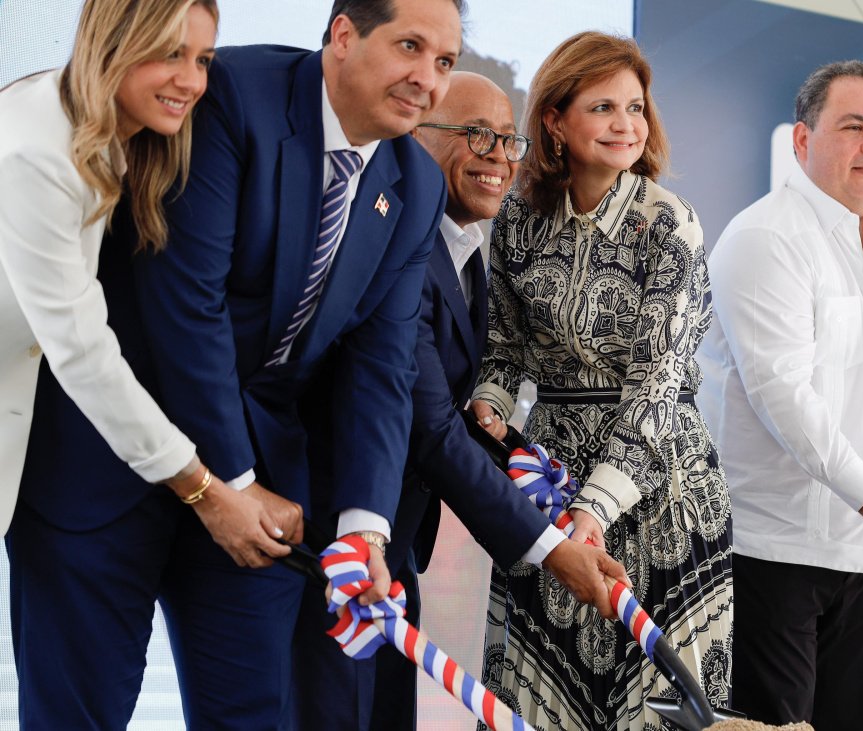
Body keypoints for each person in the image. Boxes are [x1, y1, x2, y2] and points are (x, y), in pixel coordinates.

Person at [9, 0, 458, 727]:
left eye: (444, 62)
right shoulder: (231, 94)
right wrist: (227, 487)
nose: (427, 79)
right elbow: (186, 304)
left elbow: (382, 366)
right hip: (105, 460)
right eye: (410, 46)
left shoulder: (416, 185)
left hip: (259, 490)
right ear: (344, 35)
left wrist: (363, 529)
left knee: (254, 715)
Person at [295, 70, 630, 731]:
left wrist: (517, 457)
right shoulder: (399, 247)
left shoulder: (465, 248)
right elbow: (428, 426)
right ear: (413, 134)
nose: (499, 156)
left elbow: (451, 411)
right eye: (476, 134)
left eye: (508, 139)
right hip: (339, 552)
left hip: (393, 552)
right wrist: (550, 549)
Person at [470, 31, 733, 730]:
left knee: (652, 712)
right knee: (534, 701)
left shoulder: (670, 224)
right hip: (548, 485)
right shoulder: (518, 216)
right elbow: (504, 349)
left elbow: (656, 387)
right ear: (554, 120)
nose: (626, 125)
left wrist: (592, 512)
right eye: (603, 107)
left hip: (660, 487)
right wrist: (490, 406)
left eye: (635, 108)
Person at [696, 59, 863, 729]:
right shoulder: (765, 238)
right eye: (853, 126)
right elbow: (782, 394)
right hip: (770, 552)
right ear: (802, 140)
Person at [0, 0, 292, 549]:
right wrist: (205, 490)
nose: (192, 82)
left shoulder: (108, 138)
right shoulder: (39, 154)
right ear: (114, 43)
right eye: (169, 54)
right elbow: (82, 352)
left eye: (203, 60)